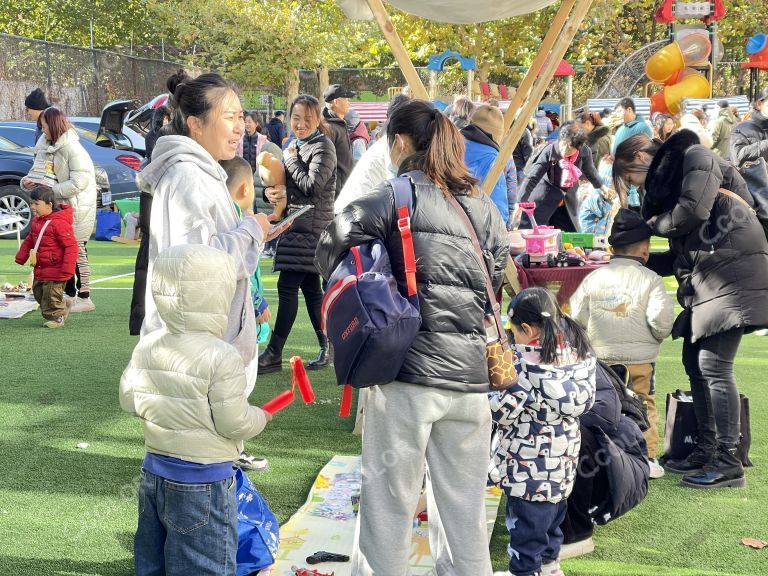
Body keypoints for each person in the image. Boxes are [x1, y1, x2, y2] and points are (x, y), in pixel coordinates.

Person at [316, 99, 508, 576]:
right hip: (470, 381)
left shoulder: (392, 195)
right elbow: (497, 275)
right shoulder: (481, 205)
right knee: (465, 517)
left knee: (388, 508)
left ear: (398, 142)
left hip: (406, 376)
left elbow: (330, 246)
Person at [137, 73, 276, 472]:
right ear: (195, 124)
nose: (240, 127)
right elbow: (200, 270)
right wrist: (253, 230)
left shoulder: (204, 173)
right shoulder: (189, 178)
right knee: (200, 488)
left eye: (241, 116)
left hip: (200, 351)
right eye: (229, 116)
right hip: (198, 353)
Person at [612, 131, 768, 488]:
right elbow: (684, 252)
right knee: (695, 363)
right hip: (715, 274)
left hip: (732, 273)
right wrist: (629, 261)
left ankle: (729, 461)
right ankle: (707, 448)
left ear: (641, 156)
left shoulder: (697, 157)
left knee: (713, 365)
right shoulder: (681, 176)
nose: (636, 187)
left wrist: (648, 226)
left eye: (632, 177)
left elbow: (693, 211)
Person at [120, 243, 271, 576]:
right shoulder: (222, 355)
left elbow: (128, 399)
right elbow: (234, 423)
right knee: (205, 564)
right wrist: (260, 417)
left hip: (154, 473)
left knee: (153, 559)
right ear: (218, 296)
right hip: (204, 481)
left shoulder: (148, 344)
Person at [490, 287, 596, 576]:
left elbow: (500, 412)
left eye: (514, 333)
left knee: (525, 536)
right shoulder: (580, 354)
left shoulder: (523, 368)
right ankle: (550, 569)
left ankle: (523, 572)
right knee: (550, 529)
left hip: (528, 471)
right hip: (560, 469)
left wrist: (494, 388)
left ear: (525, 328)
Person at [570, 209, 675, 478]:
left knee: (604, 404)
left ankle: (601, 453)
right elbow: (660, 320)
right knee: (643, 403)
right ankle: (647, 457)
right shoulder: (650, 279)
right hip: (640, 358)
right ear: (645, 251)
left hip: (602, 358)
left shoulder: (594, 278)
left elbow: (577, 317)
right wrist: (654, 337)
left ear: (612, 249)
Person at [258, 95, 337, 374]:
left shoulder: (323, 147)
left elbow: (312, 186)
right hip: (297, 228)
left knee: (288, 288)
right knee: (312, 292)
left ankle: (273, 353)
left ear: (318, 120)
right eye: (296, 118)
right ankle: (327, 347)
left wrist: (290, 160)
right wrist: (274, 194)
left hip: (312, 230)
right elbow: (289, 187)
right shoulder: (296, 145)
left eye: (307, 119)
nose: (300, 124)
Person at [559, 361, 650, 560]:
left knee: (565, 434)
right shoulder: (525, 352)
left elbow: (604, 413)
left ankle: (577, 533)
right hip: (598, 451)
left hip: (612, 459)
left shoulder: (578, 356)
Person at [130, 68, 192, 335]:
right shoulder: (179, 122)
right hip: (167, 195)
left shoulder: (163, 119)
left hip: (153, 195)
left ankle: (142, 320)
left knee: (150, 256)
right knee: (174, 255)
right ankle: (161, 319)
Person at [21, 107, 97, 313]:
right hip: (60, 207)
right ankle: (69, 294)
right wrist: (28, 183)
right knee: (62, 250)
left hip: (77, 207)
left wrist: (50, 191)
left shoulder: (73, 148)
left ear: (54, 125)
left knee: (77, 250)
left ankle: (85, 296)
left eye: (44, 125)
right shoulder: (46, 147)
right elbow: (38, 173)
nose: (42, 129)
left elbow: (80, 182)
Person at [520, 121, 614, 231]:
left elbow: (590, 171)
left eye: (569, 149)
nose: (564, 150)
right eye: (563, 145)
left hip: (566, 201)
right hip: (544, 198)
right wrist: (521, 201)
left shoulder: (584, 151)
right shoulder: (549, 151)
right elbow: (533, 177)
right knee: (539, 235)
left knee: (569, 237)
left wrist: (602, 187)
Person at [334, 93, 410, 214]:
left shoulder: (387, 138)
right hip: (355, 212)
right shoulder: (391, 143)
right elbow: (396, 190)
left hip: (355, 209)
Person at [14, 187, 78, 328]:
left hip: (57, 269)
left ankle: (57, 318)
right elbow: (31, 239)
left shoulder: (59, 223)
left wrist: (68, 269)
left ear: (49, 205)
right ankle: (63, 304)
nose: (32, 207)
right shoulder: (37, 221)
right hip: (41, 266)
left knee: (50, 296)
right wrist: (21, 256)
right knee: (38, 293)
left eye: (36, 204)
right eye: (32, 203)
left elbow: (71, 246)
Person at [462, 104, 511, 224]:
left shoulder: (450, 145)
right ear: (498, 135)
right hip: (478, 229)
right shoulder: (494, 160)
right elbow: (498, 213)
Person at [322, 84, 355, 195]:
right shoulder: (328, 127)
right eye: (346, 99)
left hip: (344, 189)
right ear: (336, 102)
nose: (348, 102)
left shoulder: (338, 123)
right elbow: (325, 163)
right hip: (336, 194)